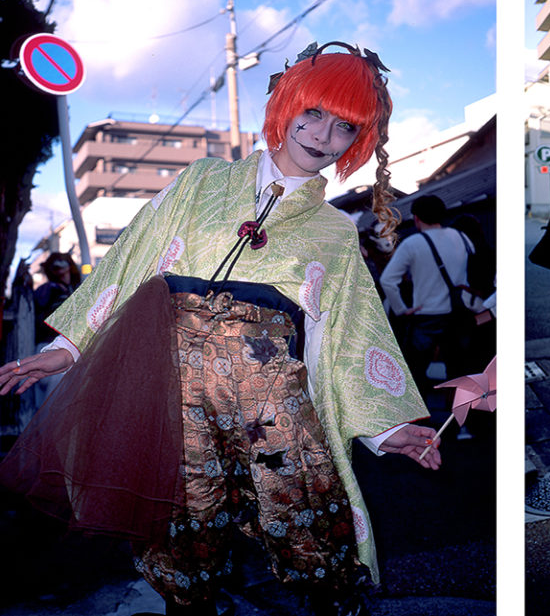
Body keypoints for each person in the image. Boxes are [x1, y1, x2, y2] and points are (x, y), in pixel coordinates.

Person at [0, 42, 440, 616]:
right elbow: (133, 259)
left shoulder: (333, 231)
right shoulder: (201, 181)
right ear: (286, 105)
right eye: (312, 113)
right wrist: (67, 345)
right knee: (185, 533)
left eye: (343, 126)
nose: (321, 134)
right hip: (175, 395)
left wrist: (384, 431)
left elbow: (355, 334)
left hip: (274, 407)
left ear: (356, 140)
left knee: (312, 532)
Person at [379, 195, 473, 394]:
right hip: (459, 315)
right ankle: (456, 421)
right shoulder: (462, 237)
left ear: (416, 218)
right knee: (457, 374)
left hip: (425, 318)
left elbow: (387, 280)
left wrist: (401, 309)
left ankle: (423, 421)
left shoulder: (413, 243)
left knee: (415, 376)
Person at [33, 252, 81, 345]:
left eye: (61, 261)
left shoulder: (74, 288)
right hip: (51, 341)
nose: (57, 266)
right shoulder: (48, 288)